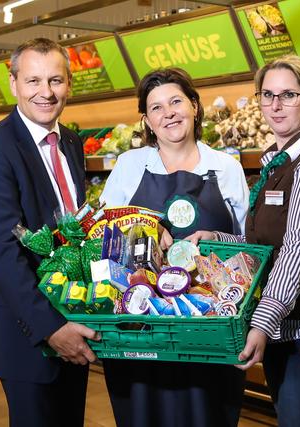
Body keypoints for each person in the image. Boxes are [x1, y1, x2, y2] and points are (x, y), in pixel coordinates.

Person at [187, 55, 300, 426]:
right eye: (266, 95)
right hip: (288, 329)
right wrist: (218, 239)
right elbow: (266, 245)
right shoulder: (277, 161)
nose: (275, 105)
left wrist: (261, 323)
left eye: (288, 94)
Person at [99, 67, 249, 427]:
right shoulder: (129, 165)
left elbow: (249, 244)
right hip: (142, 322)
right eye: (156, 108)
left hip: (209, 325)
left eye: (176, 101)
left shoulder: (226, 168)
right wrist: (143, 228)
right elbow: (101, 235)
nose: (168, 113)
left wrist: (217, 239)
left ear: (194, 106)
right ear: (147, 121)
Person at [0, 38, 100, 427]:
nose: (46, 92)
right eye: (34, 81)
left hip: (72, 314)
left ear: (69, 84)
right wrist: (51, 327)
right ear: (13, 84)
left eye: (56, 80)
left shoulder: (71, 142)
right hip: (27, 327)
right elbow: (1, 251)